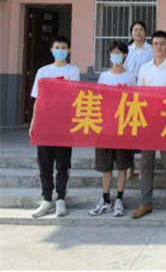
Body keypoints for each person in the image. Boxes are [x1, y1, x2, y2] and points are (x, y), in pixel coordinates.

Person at [131, 31, 166, 221]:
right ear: (151, 46)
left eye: (162, 43)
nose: (158, 46)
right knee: (146, 165)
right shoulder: (144, 68)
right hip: (148, 122)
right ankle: (145, 203)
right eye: (155, 43)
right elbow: (140, 95)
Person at [29, 35, 80, 218]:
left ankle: (61, 199)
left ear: (69, 50)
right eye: (57, 47)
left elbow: (70, 95)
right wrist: (33, 121)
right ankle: (47, 199)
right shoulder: (43, 71)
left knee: (63, 164)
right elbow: (38, 99)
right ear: (52, 50)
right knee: (45, 164)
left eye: (63, 47)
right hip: (44, 123)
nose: (60, 50)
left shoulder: (73, 71)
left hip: (64, 123)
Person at [89, 41, 136, 217]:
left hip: (123, 126)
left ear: (125, 55)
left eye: (118, 52)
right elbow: (97, 99)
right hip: (105, 125)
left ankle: (119, 199)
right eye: (112, 52)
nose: (115, 55)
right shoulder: (104, 76)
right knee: (106, 165)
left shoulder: (130, 77)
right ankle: (105, 199)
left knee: (122, 165)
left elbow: (135, 101)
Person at [123, 21, 154, 180]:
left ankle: (144, 166)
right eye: (135, 30)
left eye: (141, 29)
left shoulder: (152, 49)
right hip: (129, 95)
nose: (138, 32)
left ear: (145, 32)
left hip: (146, 95)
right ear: (131, 33)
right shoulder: (126, 51)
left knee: (144, 131)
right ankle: (130, 165)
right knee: (130, 131)